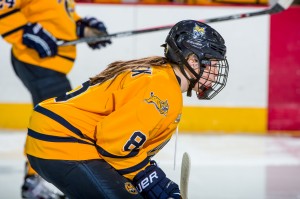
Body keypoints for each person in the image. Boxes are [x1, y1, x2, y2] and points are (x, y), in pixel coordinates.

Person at [24, 20, 229, 199]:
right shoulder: (162, 89)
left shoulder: (161, 75)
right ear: (192, 60)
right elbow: (113, 143)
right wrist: (152, 181)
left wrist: (147, 178)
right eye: (211, 63)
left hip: (53, 136)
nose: (214, 72)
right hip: (63, 142)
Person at [0, 0, 111, 198]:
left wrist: (84, 29)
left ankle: (34, 180)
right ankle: (34, 182)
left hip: (48, 64)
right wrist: (25, 31)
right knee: (55, 123)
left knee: (53, 122)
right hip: (35, 60)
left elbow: (59, 17)